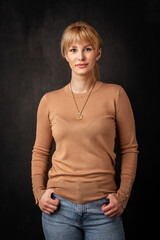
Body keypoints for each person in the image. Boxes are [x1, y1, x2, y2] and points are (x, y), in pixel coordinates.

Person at [31, 21, 138, 240]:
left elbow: (130, 149)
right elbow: (40, 151)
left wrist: (123, 196)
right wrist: (39, 194)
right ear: (65, 54)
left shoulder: (116, 95)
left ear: (98, 53)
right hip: (59, 210)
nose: (80, 57)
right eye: (73, 50)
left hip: (104, 209)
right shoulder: (49, 101)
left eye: (87, 49)